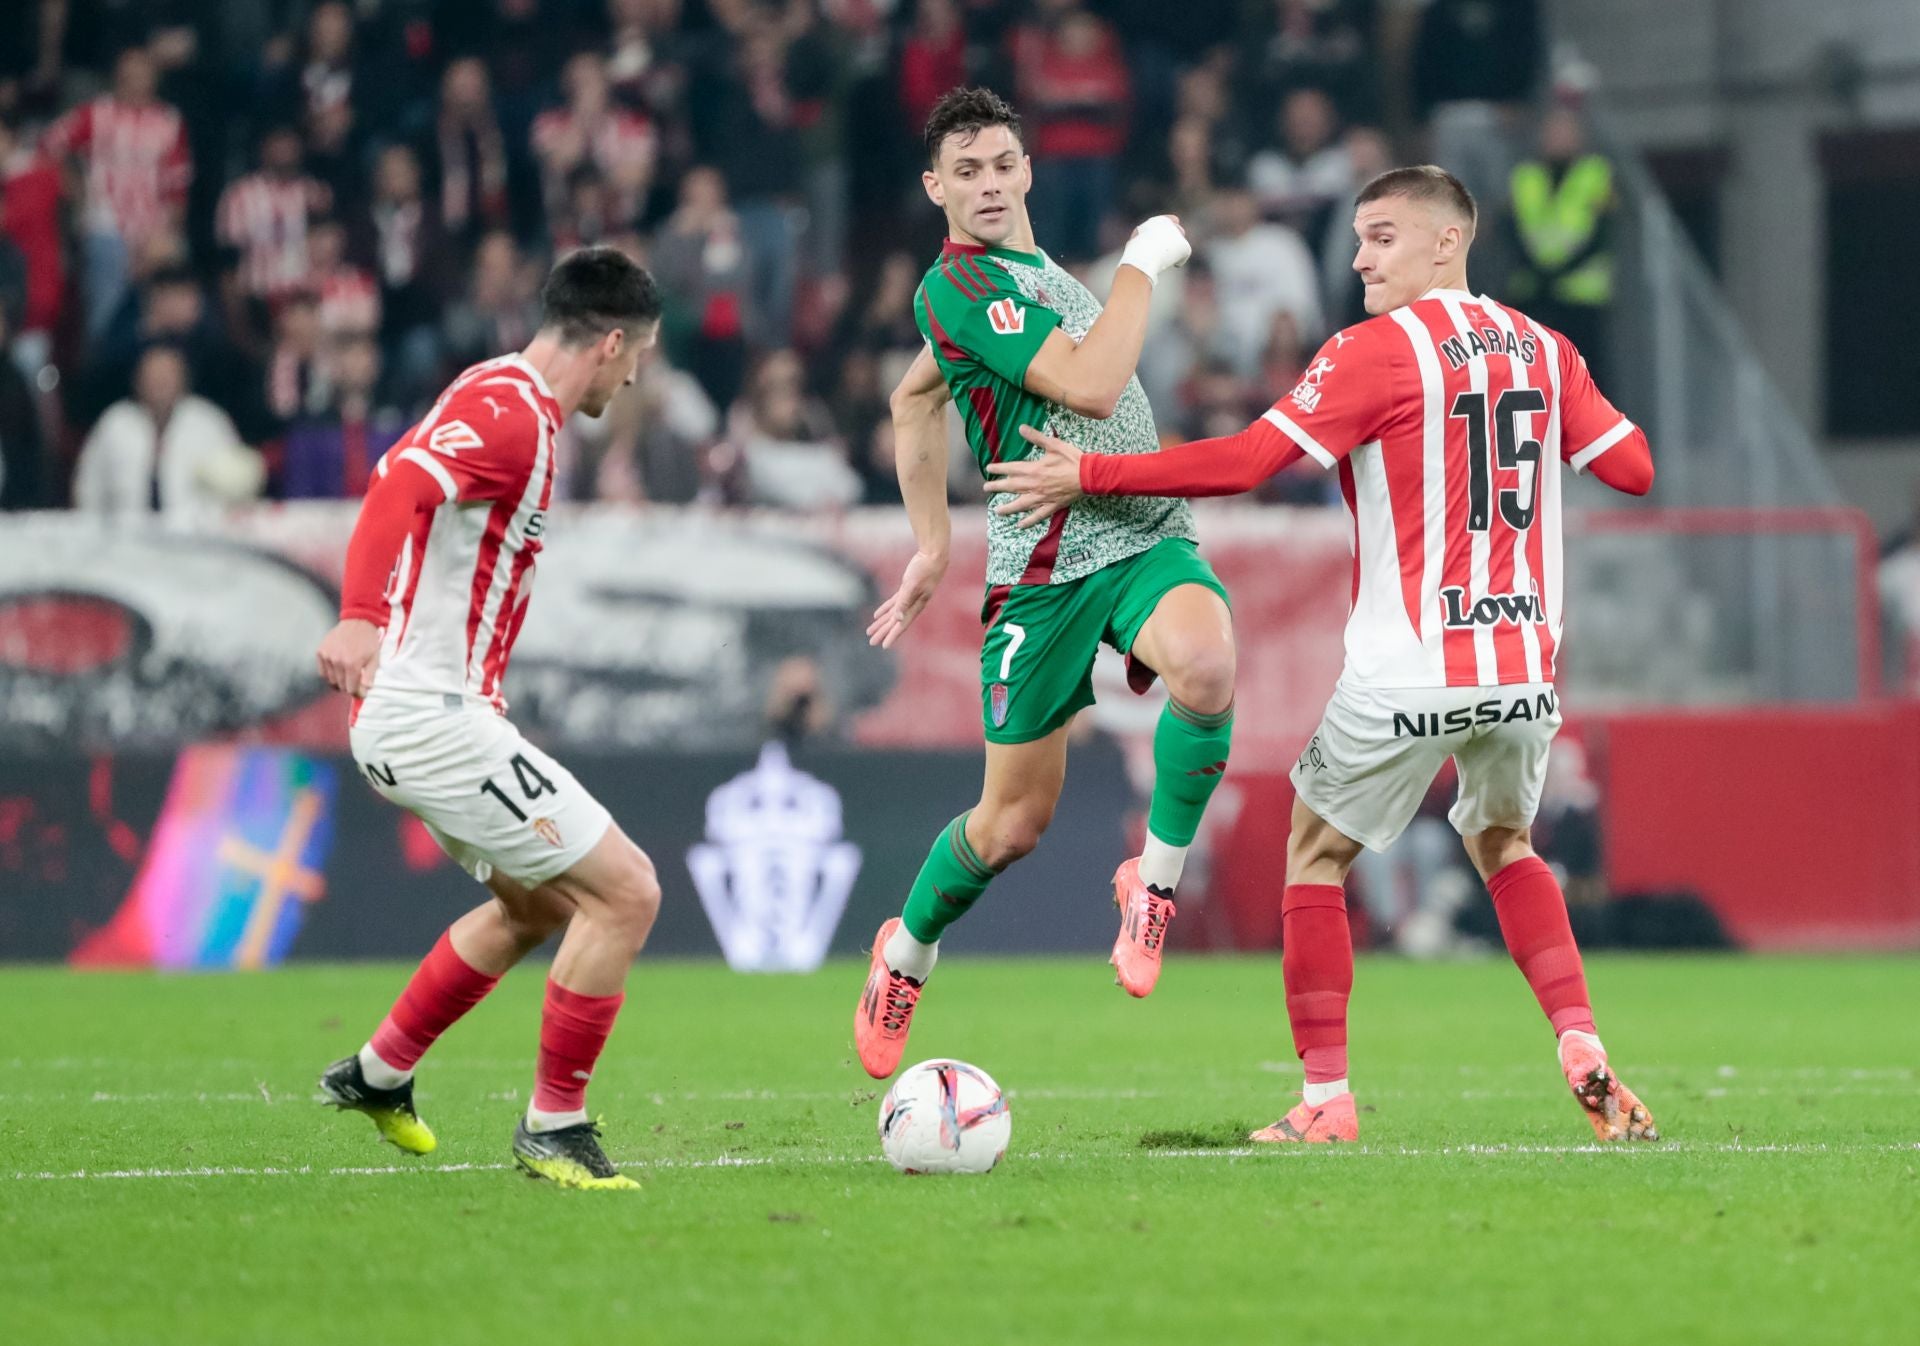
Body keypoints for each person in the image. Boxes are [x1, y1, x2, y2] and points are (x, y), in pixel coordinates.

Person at [988, 165, 1660, 1145]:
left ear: (1446, 241)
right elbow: (1633, 468)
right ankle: (1581, 1041)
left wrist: (1093, 471)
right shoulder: (1544, 348)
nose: (1357, 258)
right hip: (1521, 667)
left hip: (1411, 664)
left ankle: (1326, 1096)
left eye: (1381, 236)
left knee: (1314, 852)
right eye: (1355, 238)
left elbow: (1253, 461)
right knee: (1506, 844)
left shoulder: (1373, 352)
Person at [853, 88, 1237, 1079]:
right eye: (965, 171)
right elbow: (1093, 385)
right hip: (1042, 569)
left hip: (1141, 532)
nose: (987, 184)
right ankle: (905, 953)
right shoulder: (956, 288)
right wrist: (1144, 263)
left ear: (1026, 170)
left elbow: (913, 399)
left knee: (1207, 663)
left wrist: (930, 542)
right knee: (1012, 823)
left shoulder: (1037, 276)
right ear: (935, 186)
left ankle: (1151, 886)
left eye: (1001, 164)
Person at [313, 247, 666, 1190]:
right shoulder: (513, 415)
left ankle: (378, 1073)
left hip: (427, 713)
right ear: (614, 342)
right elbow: (401, 489)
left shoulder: (498, 393)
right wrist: (359, 614)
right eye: (638, 359)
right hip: (433, 714)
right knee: (627, 893)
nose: (634, 378)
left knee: (539, 903)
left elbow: (408, 471)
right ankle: (556, 1126)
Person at [72, 343, 264, 529]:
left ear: (183, 379)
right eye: (153, 375)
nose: (160, 382)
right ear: (138, 380)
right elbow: (88, 487)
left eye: (167, 375)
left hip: (196, 540)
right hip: (124, 540)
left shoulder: (209, 422)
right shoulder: (114, 423)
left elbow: (235, 486)